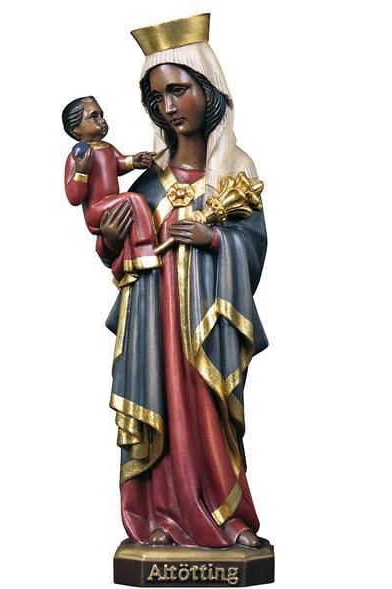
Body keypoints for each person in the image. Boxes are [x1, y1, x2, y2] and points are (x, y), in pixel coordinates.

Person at [98, 14, 269, 548]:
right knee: (162, 408)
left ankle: (227, 516)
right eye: (158, 98)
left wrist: (214, 239)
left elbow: (254, 246)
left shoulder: (235, 172)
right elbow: (119, 257)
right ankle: (161, 517)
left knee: (209, 414)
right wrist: (111, 238)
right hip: (154, 327)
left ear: (208, 91)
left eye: (179, 90)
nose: (169, 106)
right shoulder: (148, 181)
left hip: (208, 325)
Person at [62, 96, 159, 281]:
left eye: (101, 115)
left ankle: (131, 256)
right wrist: (81, 171)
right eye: (94, 116)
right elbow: (74, 198)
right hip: (97, 210)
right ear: (75, 129)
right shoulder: (78, 156)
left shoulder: (107, 147)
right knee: (135, 199)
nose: (102, 120)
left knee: (133, 205)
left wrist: (134, 161)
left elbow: (118, 164)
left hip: (112, 203)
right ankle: (145, 249)